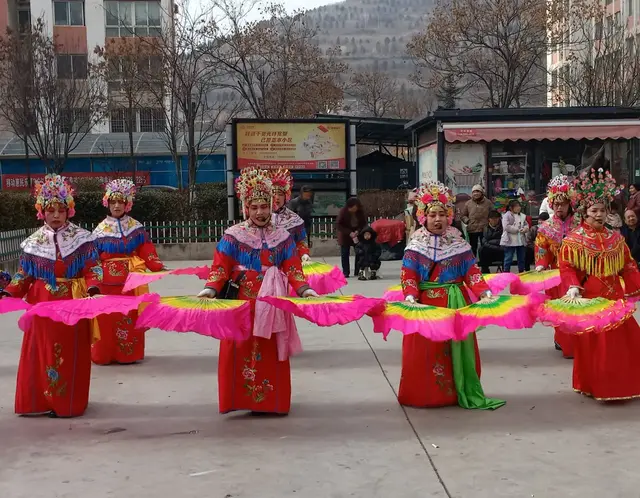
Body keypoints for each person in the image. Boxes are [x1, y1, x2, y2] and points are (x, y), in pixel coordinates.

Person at [196, 168, 318, 415]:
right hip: (240, 304)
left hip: (271, 306)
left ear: (271, 206)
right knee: (239, 349)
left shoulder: (282, 237)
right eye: (255, 207)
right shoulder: (233, 236)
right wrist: (210, 289)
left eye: (264, 206)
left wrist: (304, 289)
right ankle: (239, 401)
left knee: (269, 350)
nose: (260, 212)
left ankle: (271, 402)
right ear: (246, 208)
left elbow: (293, 268)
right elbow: (221, 266)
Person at [399, 181, 505, 410]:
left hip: (456, 305)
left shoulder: (459, 244)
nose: (437, 220)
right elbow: (408, 276)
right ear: (423, 217)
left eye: (442, 214)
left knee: (456, 351)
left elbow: (472, 273)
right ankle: (427, 395)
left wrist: (484, 292)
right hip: (427, 307)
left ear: (449, 216)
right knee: (428, 352)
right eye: (432, 215)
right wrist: (410, 296)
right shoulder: (415, 246)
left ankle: (456, 392)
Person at [2, 175, 101, 418]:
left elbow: (93, 269)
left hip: (72, 305)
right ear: (41, 212)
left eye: (60, 210)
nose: (56, 215)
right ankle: (39, 402)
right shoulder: (33, 242)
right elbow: (23, 276)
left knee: (69, 354)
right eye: (50, 210)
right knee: (41, 352)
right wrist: (9, 291)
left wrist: (93, 288)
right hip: (41, 307)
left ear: (69, 211)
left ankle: (67, 403)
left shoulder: (82, 239)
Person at [558, 168, 640, 401]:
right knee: (597, 345)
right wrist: (573, 285)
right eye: (594, 210)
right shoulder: (574, 241)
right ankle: (596, 385)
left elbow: (629, 265)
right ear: (584, 213)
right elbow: (566, 267)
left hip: (616, 297)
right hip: (591, 297)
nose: (599, 215)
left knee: (624, 343)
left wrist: (635, 286)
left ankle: (622, 384)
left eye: (603, 210)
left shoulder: (616, 238)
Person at [91, 179, 165, 365]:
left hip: (131, 283)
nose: (117, 206)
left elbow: (146, 249)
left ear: (127, 204)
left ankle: (128, 354)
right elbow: (92, 258)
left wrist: (156, 265)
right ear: (107, 203)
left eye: (121, 202)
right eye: (113, 202)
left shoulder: (135, 227)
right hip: (105, 285)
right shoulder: (99, 230)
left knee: (129, 318)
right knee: (106, 319)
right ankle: (104, 354)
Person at [534, 175, 579, 358]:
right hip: (556, 276)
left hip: (578, 274)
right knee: (561, 312)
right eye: (556, 204)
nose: (559, 208)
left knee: (576, 312)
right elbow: (542, 250)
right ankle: (564, 342)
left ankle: (577, 344)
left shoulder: (580, 224)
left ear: (570, 204)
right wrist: (541, 265)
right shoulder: (546, 227)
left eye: (563, 204)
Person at [269, 168, 310, 261]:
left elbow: (301, 241)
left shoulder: (294, 219)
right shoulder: (260, 218)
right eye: (273, 194)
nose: (277, 197)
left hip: (289, 261)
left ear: (286, 196)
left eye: (280, 194)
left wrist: (304, 254)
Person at [336, 197, 367, 278]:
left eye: (355, 208)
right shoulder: (343, 212)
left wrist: (358, 231)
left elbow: (363, 223)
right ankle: (346, 272)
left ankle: (358, 270)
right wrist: (349, 232)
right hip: (345, 234)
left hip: (356, 234)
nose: (354, 209)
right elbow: (339, 225)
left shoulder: (360, 212)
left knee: (359, 252)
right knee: (345, 253)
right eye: (352, 208)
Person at [460, 184, 492, 255]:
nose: (476, 193)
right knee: (473, 247)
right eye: (474, 192)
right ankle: (473, 264)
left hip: (484, 229)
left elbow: (492, 214)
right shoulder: (468, 203)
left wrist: (490, 223)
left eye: (478, 191)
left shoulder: (488, 203)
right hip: (472, 228)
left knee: (485, 247)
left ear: (481, 193)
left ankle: (484, 264)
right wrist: (467, 221)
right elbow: (463, 215)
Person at [500, 199, 529, 273]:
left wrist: (525, 229)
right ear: (511, 207)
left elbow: (526, 224)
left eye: (519, 206)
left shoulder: (522, 216)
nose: (518, 208)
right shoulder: (506, 215)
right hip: (510, 240)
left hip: (520, 240)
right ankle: (506, 272)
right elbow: (506, 226)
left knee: (521, 258)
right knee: (508, 257)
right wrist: (517, 229)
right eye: (516, 206)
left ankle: (521, 271)